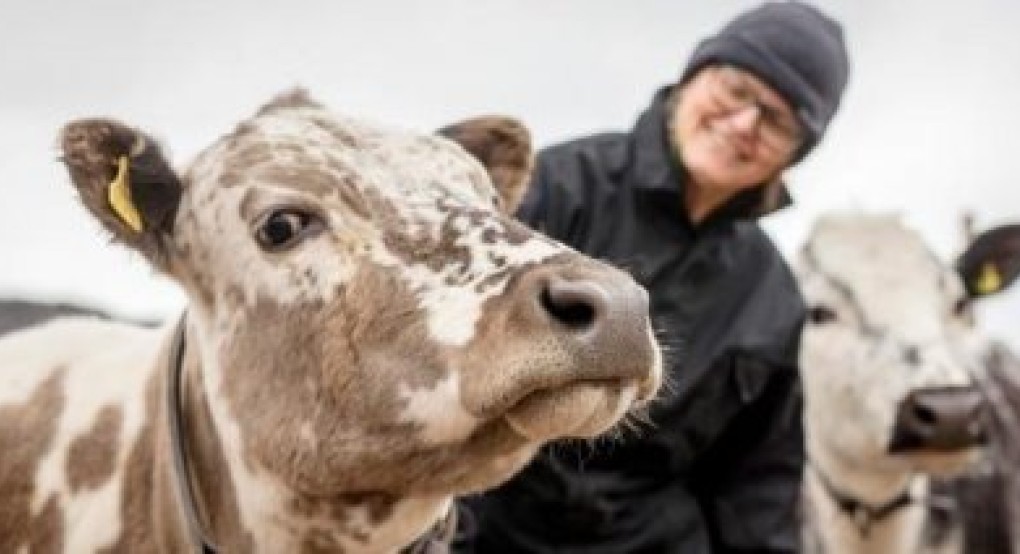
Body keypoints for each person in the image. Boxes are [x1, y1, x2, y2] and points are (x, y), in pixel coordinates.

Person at [453, 2, 850, 552]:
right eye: (736, 90)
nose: (743, 125)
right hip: (489, 527)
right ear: (693, 77)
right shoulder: (553, 188)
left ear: (794, 155)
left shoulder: (772, 295)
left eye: (777, 120)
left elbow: (756, 481)